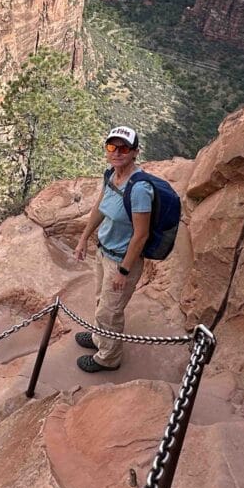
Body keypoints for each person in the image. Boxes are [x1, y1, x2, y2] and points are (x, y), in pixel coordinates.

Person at [72, 125, 153, 373]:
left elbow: (141, 235)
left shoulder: (139, 189)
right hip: (103, 251)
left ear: (135, 152)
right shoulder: (111, 175)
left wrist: (124, 271)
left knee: (111, 311)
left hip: (121, 261)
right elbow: (100, 207)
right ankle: (99, 338)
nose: (117, 152)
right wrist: (84, 238)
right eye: (112, 147)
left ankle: (108, 358)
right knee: (102, 301)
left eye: (124, 148)